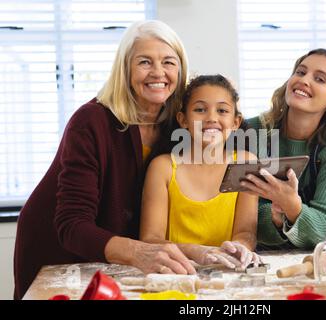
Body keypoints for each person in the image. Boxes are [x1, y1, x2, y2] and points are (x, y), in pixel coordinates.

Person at [13, 20, 197, 300]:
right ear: (125, 69)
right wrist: (138, 252)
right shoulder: (91, 121)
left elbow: (228, 135)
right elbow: (72, 224)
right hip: (58, 255)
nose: (158, 72)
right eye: (145, 62)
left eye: (169, 62)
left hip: (117, 259)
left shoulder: (176, 126)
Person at [242, 48, 326, 250]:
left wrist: (292, 206)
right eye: (300, 72)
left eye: (319, 79)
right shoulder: (251, 132)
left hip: (325, 254)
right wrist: (276, 216)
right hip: (262, 252)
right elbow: (239, 213)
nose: (304, 80)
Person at [140, 75, 260, 269]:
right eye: (200, 110)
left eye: (222, 110)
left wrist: (241, 247)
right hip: (176, 272)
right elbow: (150, 239)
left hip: (227, 273)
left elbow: (245, 232)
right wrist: (195, 250)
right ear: (183, 120)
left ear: (236, 122)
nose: (211, 118)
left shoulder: (246, 163)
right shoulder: (163, 167)